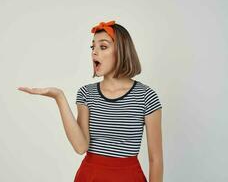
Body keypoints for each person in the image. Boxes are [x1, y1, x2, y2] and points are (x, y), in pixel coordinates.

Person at [17, 20, 163, 182]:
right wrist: (59, 97)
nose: (94, 52)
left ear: (121, 51)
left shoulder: (146, 96)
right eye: (92, 47)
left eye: (103, 46)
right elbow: (81, 147)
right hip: (90, 176)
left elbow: (155, 159)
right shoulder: (86, 93)